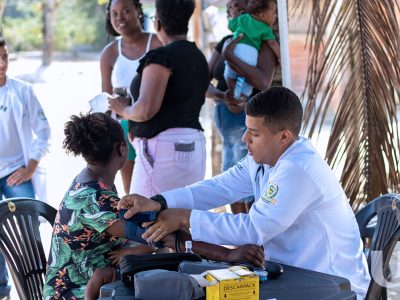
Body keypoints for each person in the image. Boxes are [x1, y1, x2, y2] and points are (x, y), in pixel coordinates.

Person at [118, 87, 371, 298]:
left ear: (284, 136)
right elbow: (220, 187)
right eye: (247, 129)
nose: (244, 139)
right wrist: (159, 202)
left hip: (333, 285)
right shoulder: (264, 157)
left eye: (255, 133)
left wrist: (185, 217)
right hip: (293, 276)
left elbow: (253, 229)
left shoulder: (299, 169)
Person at [42, 112, 263, 300]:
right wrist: (227, 255)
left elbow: (153, 234)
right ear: (122, 149)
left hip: (101, 281)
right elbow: (161, 234)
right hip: (77, 292)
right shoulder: (95, 200)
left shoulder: (88, 184)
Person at [109, 0, 209, 198]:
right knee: (182, 218)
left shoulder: (161, 57)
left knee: (144, 218)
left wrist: (123, 110)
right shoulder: (196, 56)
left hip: (162, 151)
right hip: (193, 146)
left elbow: (146, 110)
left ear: (158, 23)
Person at [207, 0, 277, 214]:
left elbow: (262, 81)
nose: (231, 11)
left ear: (250, 9)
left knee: (251, 173)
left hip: (251, 120)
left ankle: (252, 231)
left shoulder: (261, 41)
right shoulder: (225, 41)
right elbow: (202, 82)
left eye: (237, 5)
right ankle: (239, 229)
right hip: (226, 117)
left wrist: (230, 56)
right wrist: (222, 96)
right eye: (229, 7)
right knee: (231, 169)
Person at [0, 37, 51, 300]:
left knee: (28, 229)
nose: (1, 63)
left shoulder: (22, 91)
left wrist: (30, 166)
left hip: (16, 171)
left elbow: (43, 133)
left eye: (5, 56)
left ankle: (40, 287)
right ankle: (2, 291)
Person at [100, 0, 162, 195]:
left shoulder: (158, 43)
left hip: (156, 126)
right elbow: (106, 99)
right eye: (114, 13)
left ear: (138, 11)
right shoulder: (110, 53)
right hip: (124, 132)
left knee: (161, 192)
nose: (120, 17)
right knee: (132, 194)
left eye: (126, 11)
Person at [224, 0, 280, 100]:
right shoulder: (266, 29)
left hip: (236, 50)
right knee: (246, 82)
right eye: (274, 13)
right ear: (263, 15)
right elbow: (272, 43)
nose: (275, 16)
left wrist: (234, 16)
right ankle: (242, 97)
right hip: (251, 56)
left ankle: (233, 92)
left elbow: (231, 26)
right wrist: (281, 57)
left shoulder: (242, 18)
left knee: (229, 75)